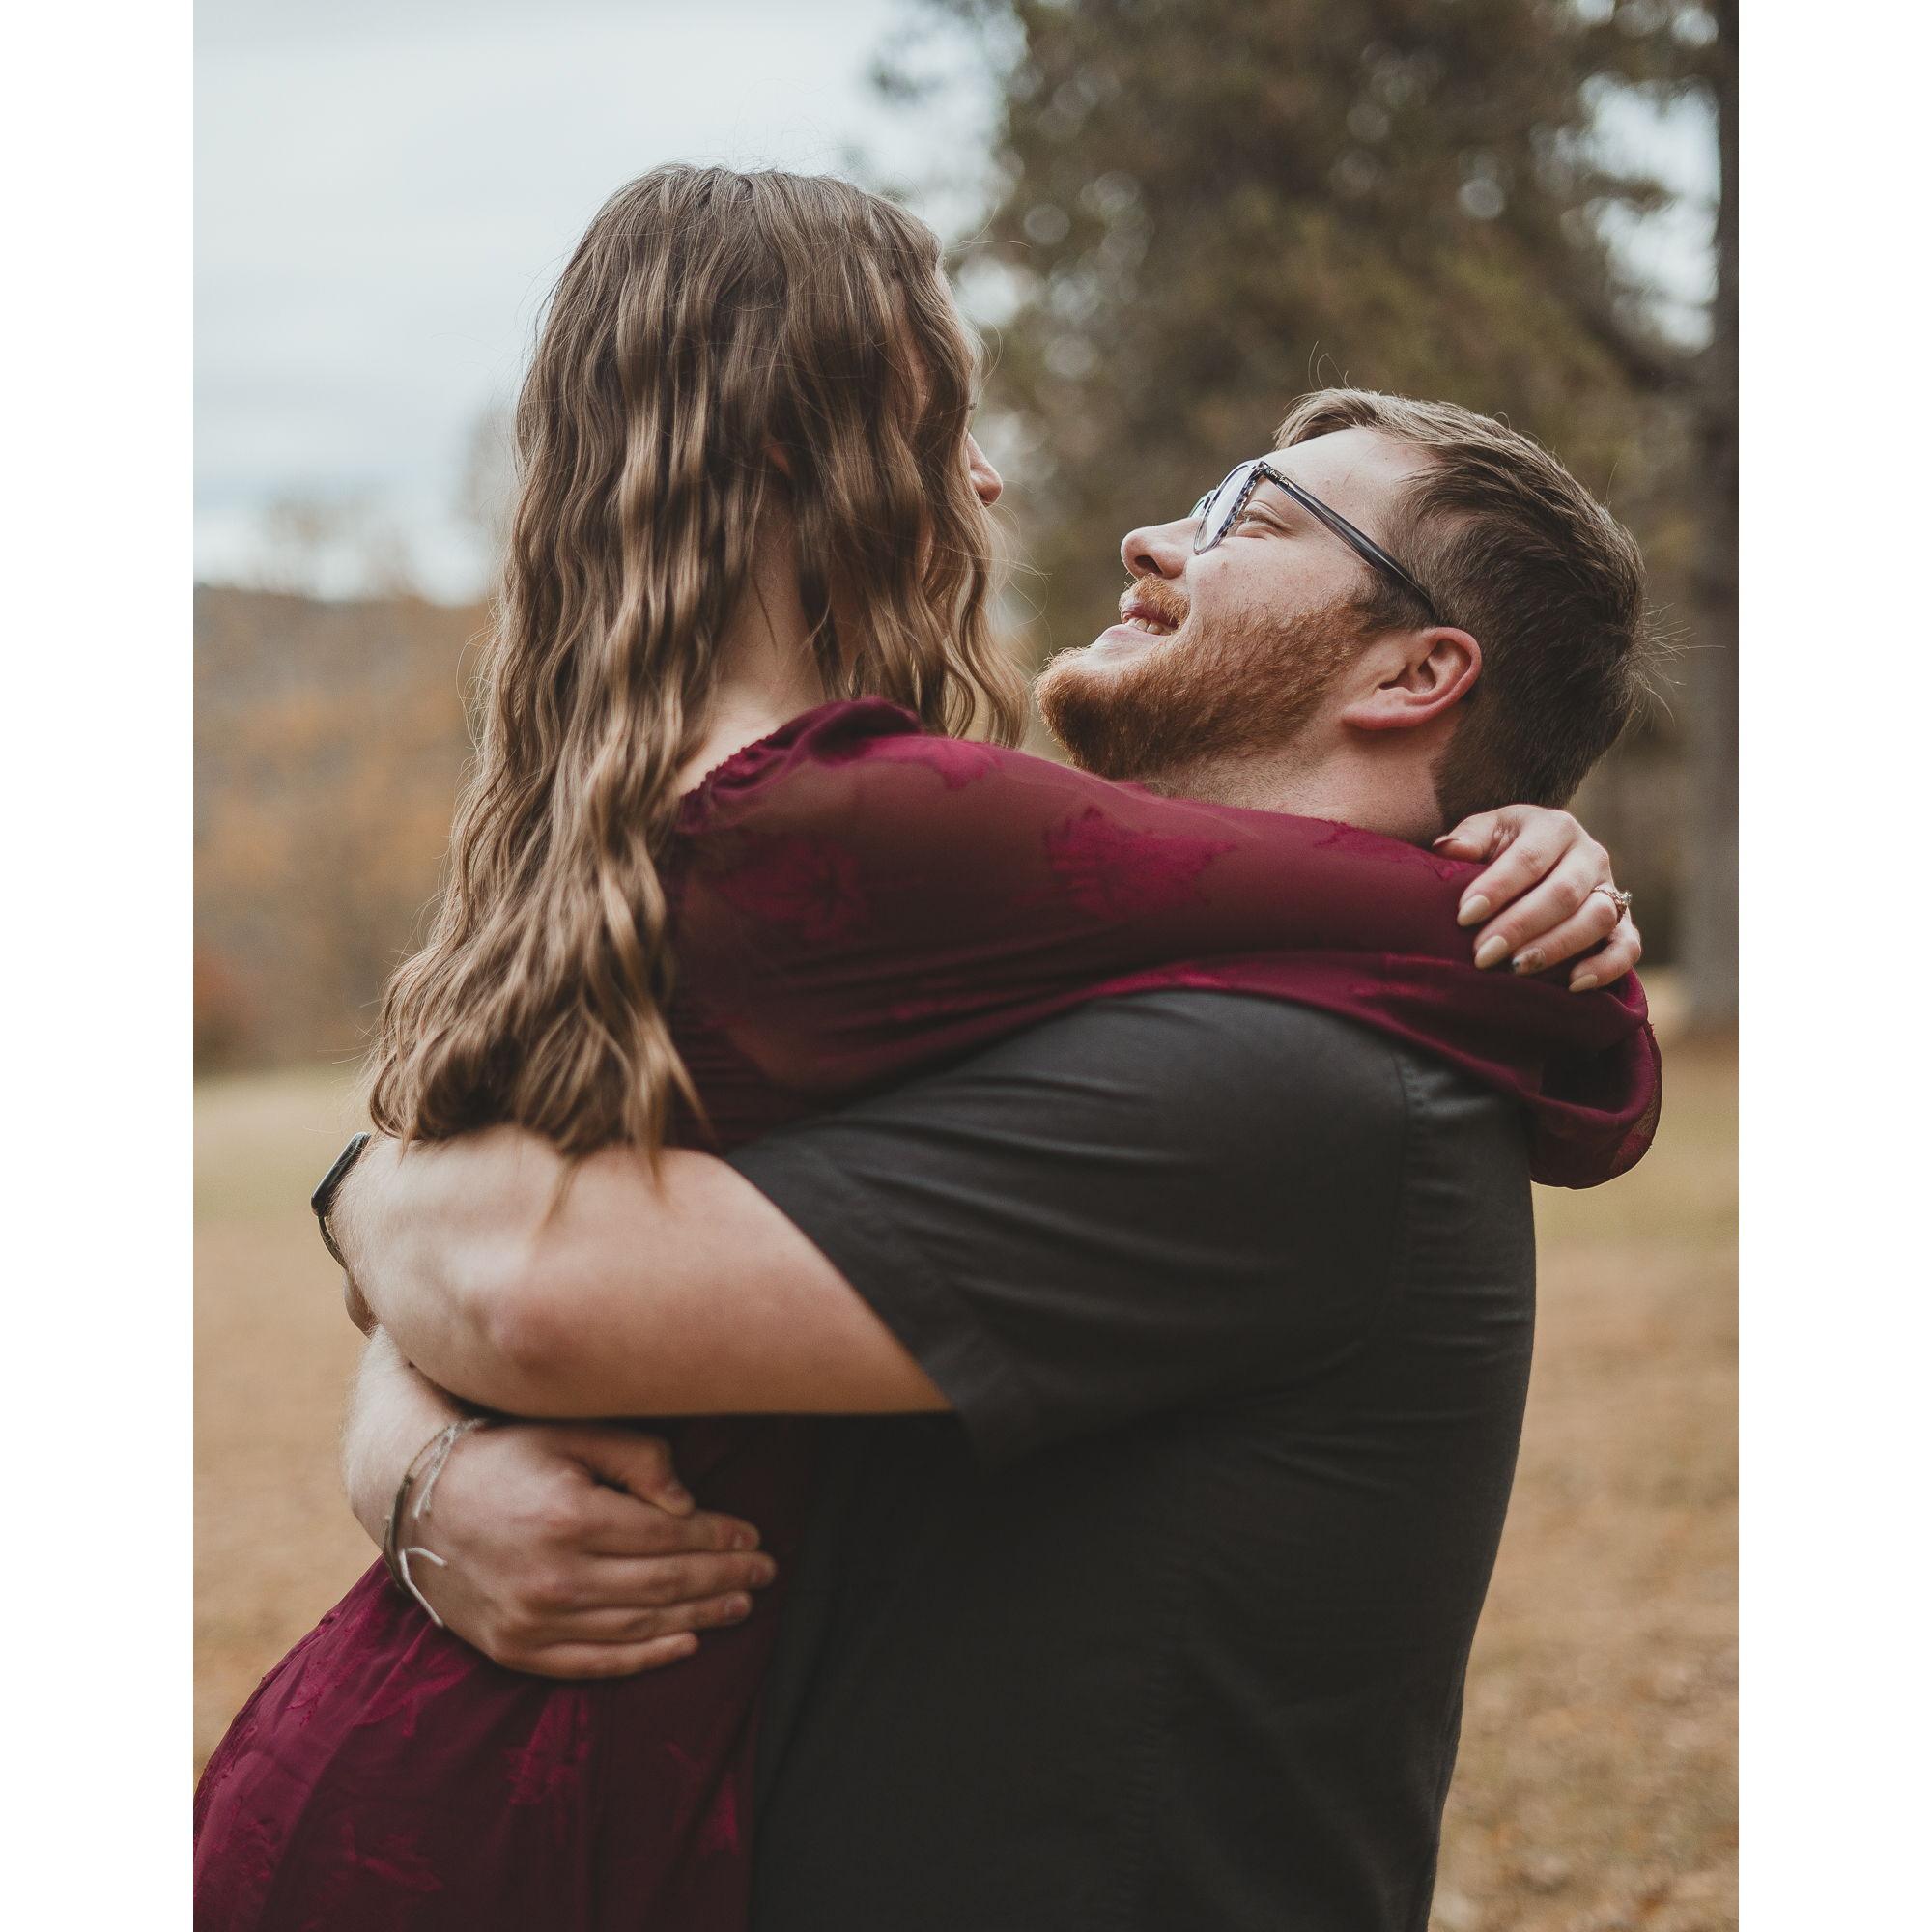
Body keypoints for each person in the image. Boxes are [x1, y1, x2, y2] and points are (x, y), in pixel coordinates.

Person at [194, 161, 1653, 1932]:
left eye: (1253, 517)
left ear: (1416, 675)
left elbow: (530, 1283)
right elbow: (534, 1261)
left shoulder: (1304, 1086)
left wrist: (372, 1209)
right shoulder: (1015, 972)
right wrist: (421, 1462)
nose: (1149, 536)